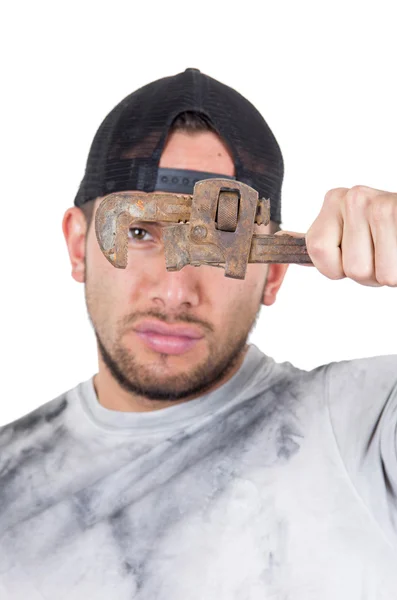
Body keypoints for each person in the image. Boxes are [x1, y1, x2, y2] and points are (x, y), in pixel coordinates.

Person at [0, 68, 396, 600]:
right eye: (139, 233)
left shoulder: (366, 427)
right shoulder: (10, 475)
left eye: (218, 243)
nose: (175, 290)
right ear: (78, 245)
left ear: (273, 271)